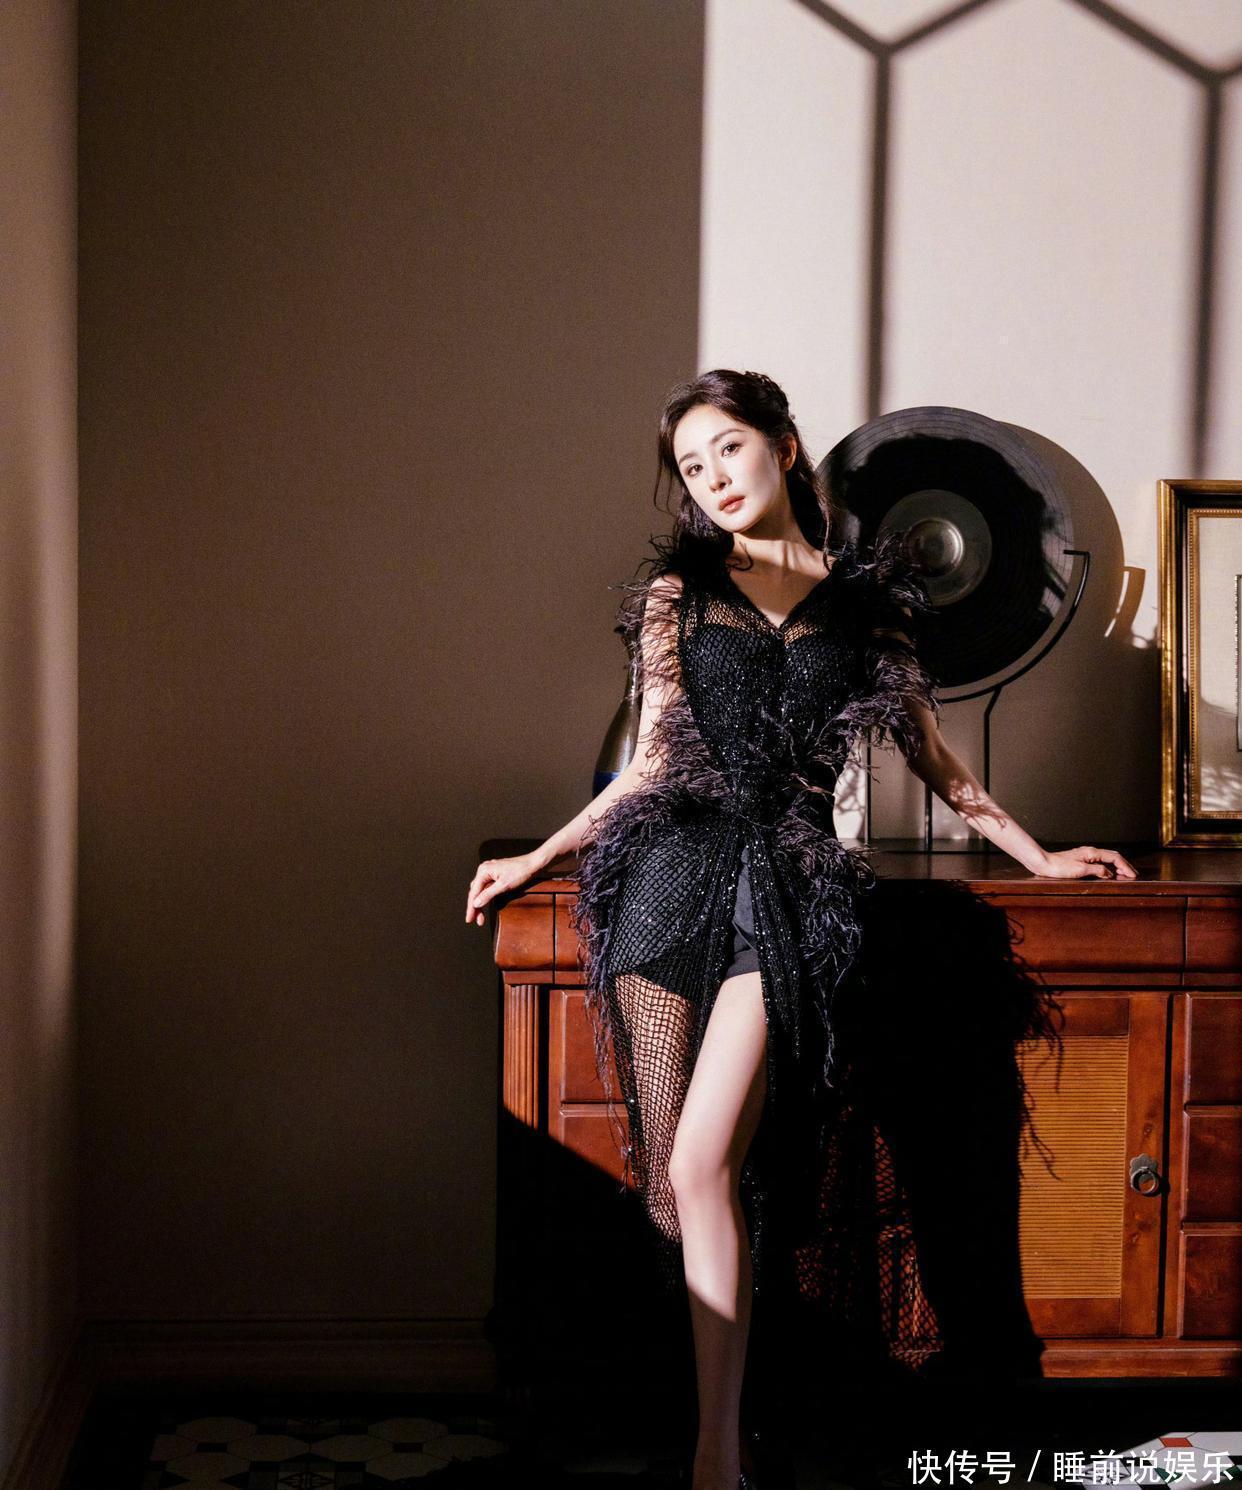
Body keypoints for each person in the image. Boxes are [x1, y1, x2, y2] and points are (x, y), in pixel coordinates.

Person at [465, 369, 1138, 1490]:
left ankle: (715, 1455)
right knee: (680, 1180)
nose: (713, 478)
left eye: (728, 449)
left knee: (707, 1159)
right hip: (668, 882)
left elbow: (936, 759)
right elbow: (649, 764)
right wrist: (538, 856)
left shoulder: (870, 602)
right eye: (692, 467)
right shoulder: (679, 594)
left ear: (781, 444)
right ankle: (726, 1435)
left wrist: (1040, 856)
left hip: (788, 888)